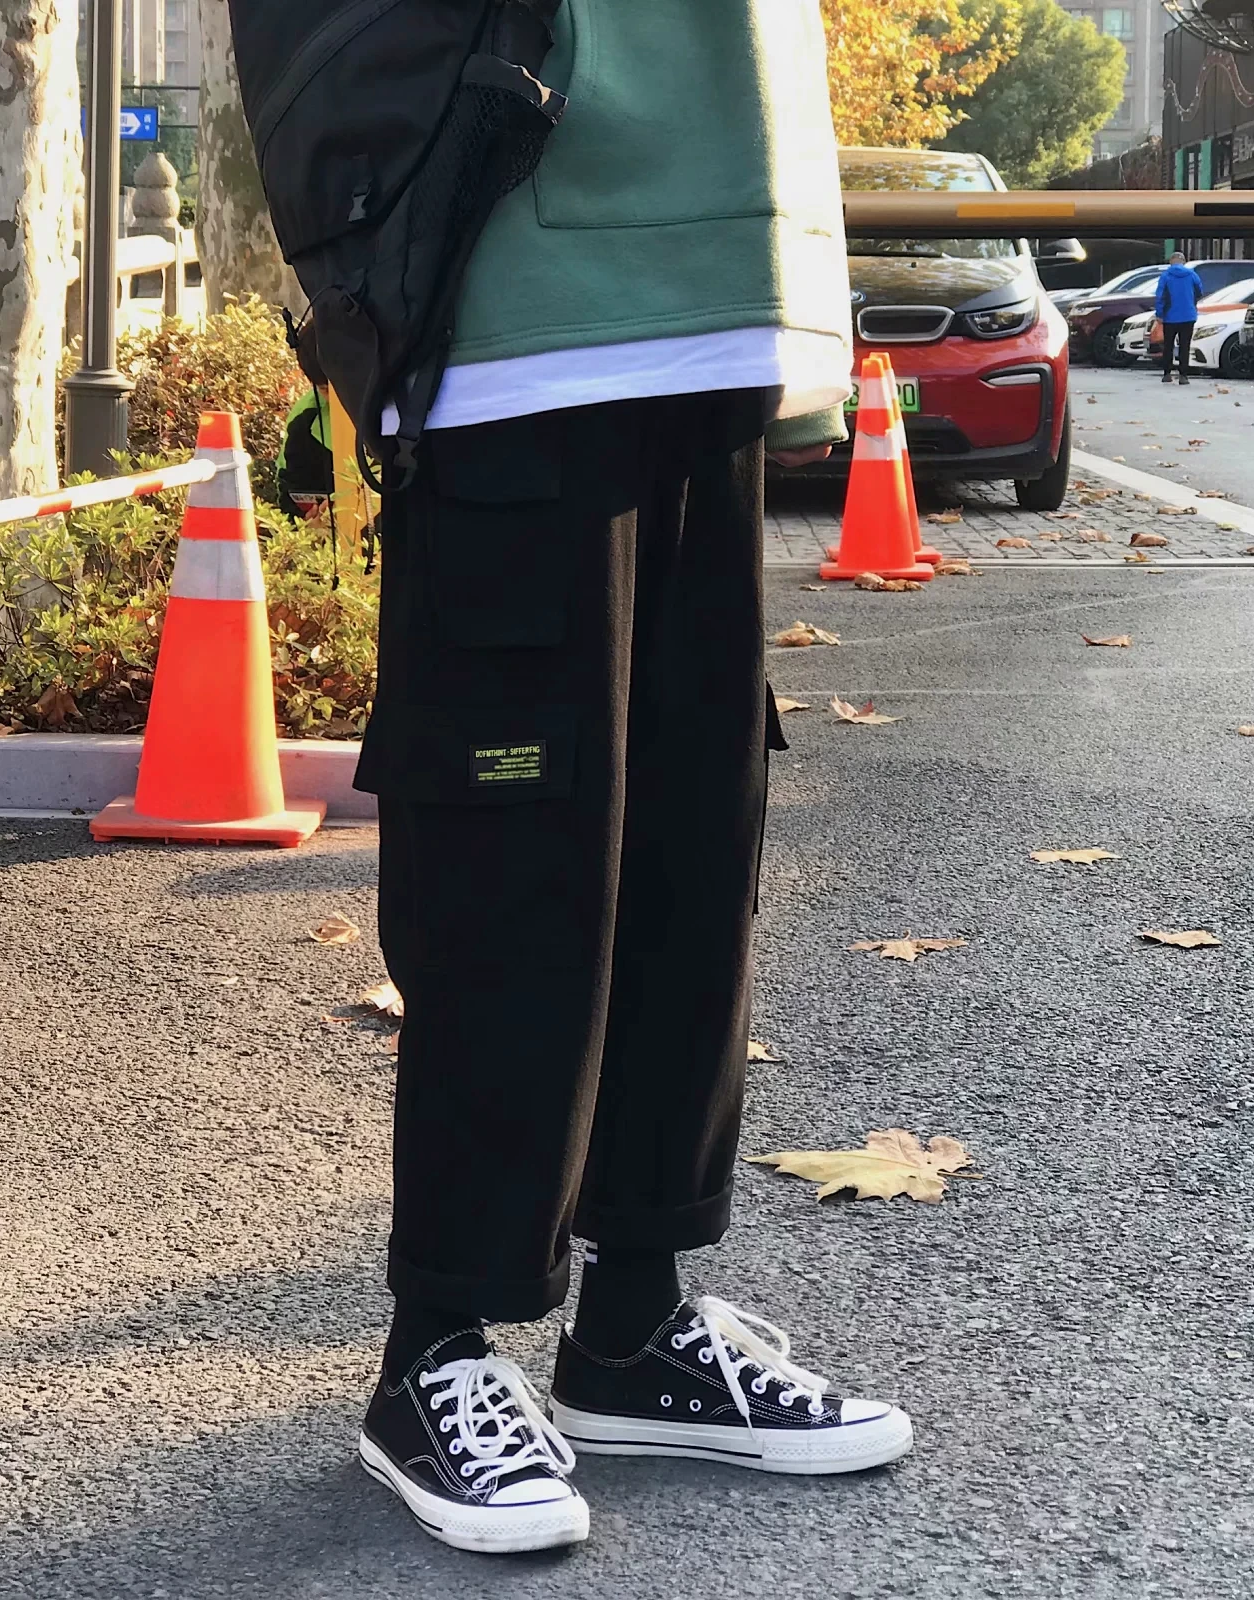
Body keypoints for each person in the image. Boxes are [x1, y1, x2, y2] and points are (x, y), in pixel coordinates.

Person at [349, 0, 913, 1557]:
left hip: (723, 304)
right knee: (518, 866)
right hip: (516, 288)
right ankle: (435, 1348)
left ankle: (635, 1325)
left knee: (689, 838)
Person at [274, 322, 334, 519]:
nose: (339, 399)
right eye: (325, 389)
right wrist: (305, 523)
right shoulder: (305, 419)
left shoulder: (398, 411)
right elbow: (288, 493)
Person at [1155, 251, 1204, 385]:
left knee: (1168, 345)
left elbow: (1160, 296)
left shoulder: (1165, 276)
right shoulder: (1192, 275)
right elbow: (1199, 291)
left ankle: (1167, 374)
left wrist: (1159, 314)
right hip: (1188, 315)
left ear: (1171, 262)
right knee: (1185, 345)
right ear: (1183, 261)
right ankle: (1183, 376)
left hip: (1170, 316)